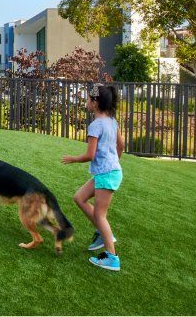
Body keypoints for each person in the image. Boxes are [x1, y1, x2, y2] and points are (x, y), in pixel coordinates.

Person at [63, 83, 124, 272]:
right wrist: (114, 162)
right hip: (108, 172)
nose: (86, 101)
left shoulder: (96, 125)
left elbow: (90, 155)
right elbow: (121, 145)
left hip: (107, 174)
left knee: (100, 214)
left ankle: (112, 258)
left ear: (96, 103)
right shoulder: (112, 122)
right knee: (79, 198)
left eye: (89, 99)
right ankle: (101, 233)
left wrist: (72, 159)